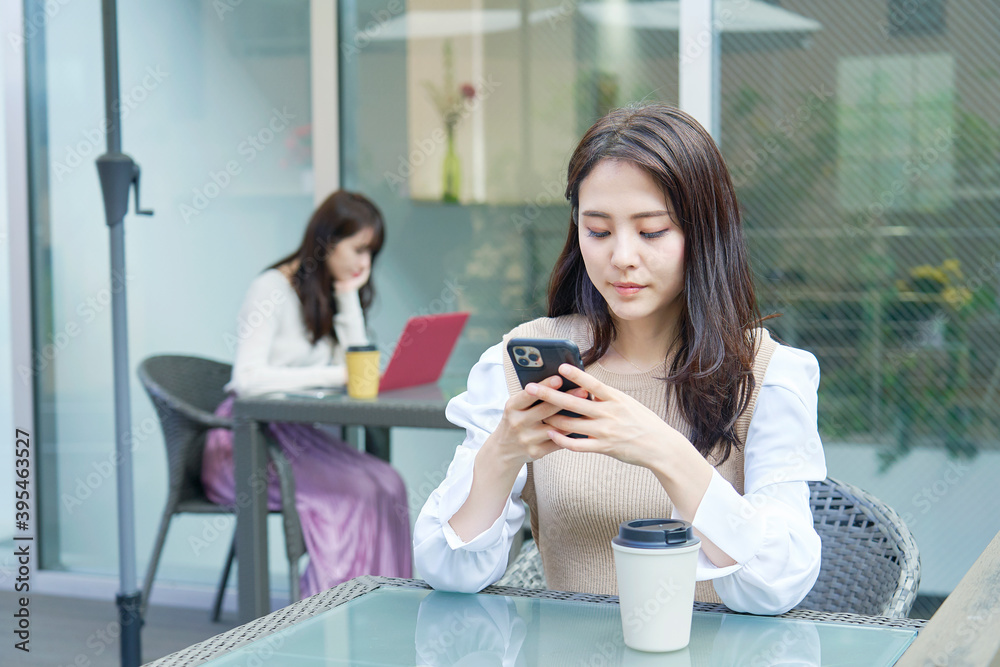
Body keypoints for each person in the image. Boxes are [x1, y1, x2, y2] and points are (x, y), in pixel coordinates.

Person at [413, 104, 827, 615]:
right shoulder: (522, 364)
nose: (622, 257)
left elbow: (778, 583)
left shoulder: (767, 374)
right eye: (599, 231)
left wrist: (661, 450)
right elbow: (444, 568)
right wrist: (503, 451)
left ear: (704, 233)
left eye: (651, 231)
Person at [203, 190, 412, 597]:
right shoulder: (271, 289)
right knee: (352, 496)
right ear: (326, 242)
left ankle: (379, 609)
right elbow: (245, 379)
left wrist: (349, 296)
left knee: (390, 483)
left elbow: (356, 367)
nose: (364, 263)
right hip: (244, 446)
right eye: (358, 250)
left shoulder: (326, 293)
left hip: (295, 441)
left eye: (371, 254)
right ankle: (323, 619)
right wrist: (334, 375)